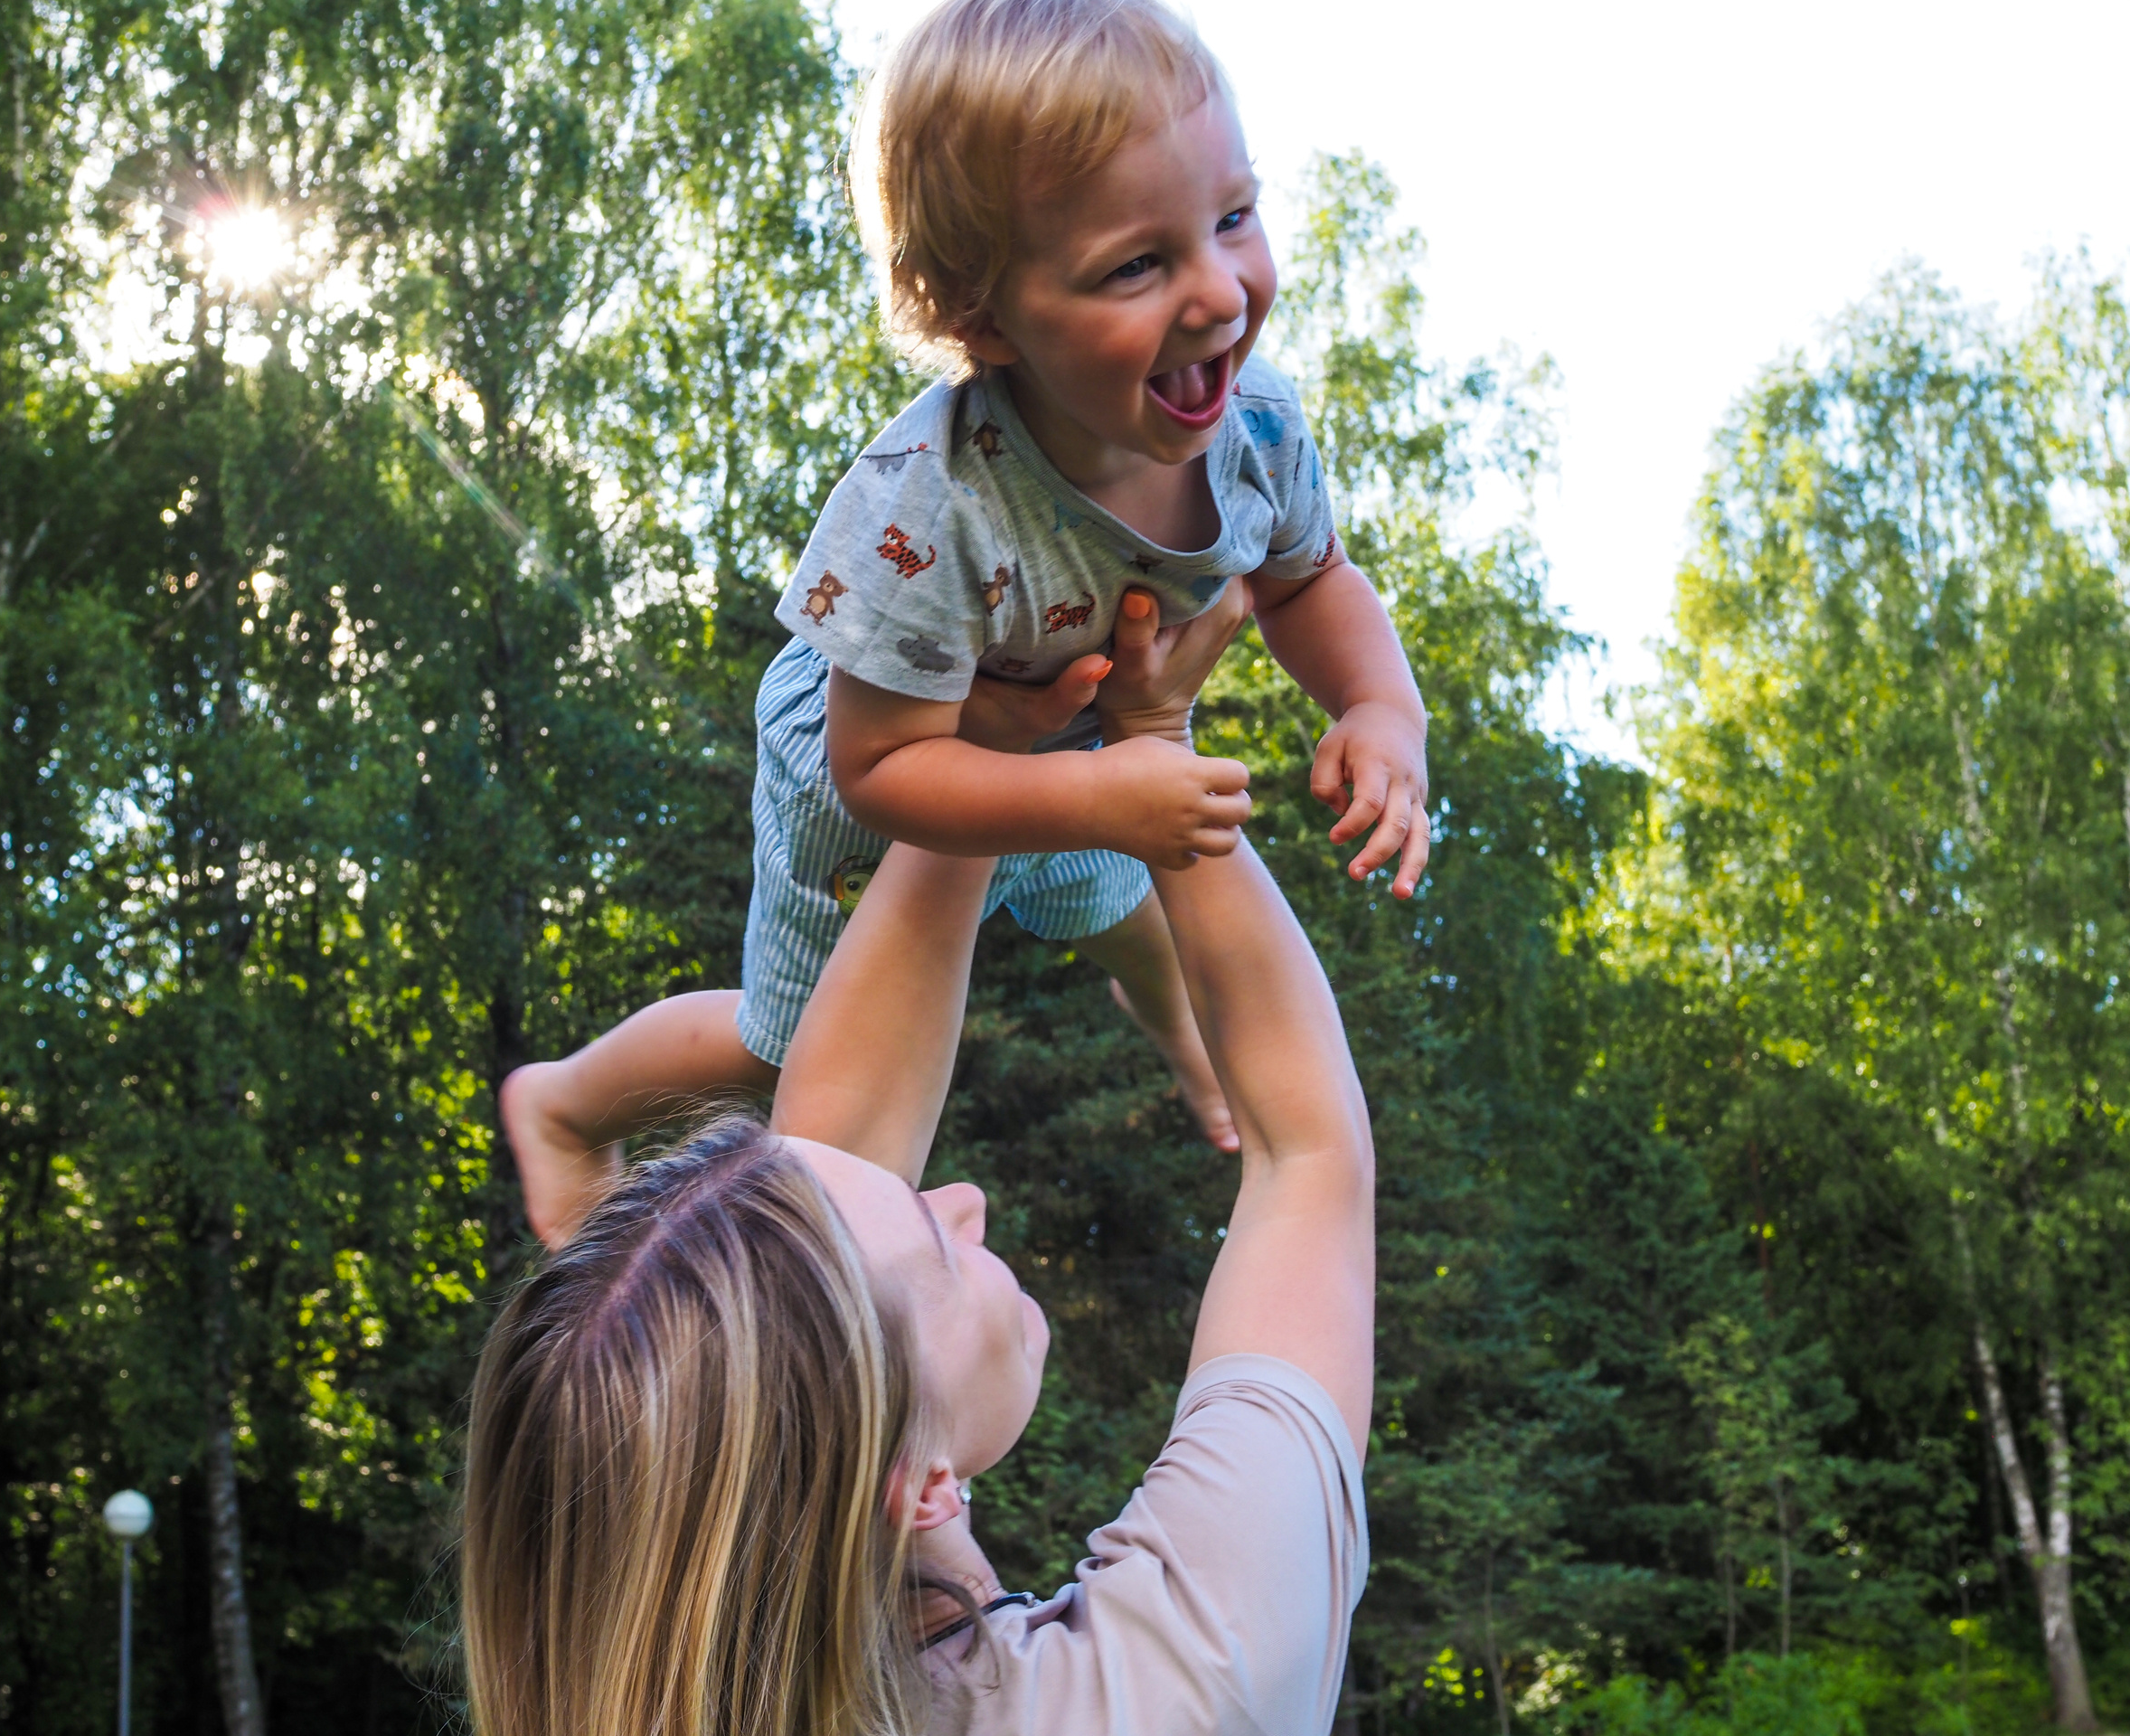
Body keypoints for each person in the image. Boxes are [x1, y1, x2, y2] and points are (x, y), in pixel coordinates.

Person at [501, 0, 1429, 1242]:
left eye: (1231, 218)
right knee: (786, 1050)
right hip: (879, 776)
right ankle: (564, 1104)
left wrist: (1379, 707)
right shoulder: (929, 507)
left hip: (1078, 749)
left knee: (1126, 909)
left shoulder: (1256, 425)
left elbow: (1312, 579)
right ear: (986, 320)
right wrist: (1099, 795)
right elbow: (879, 765)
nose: (1218, 292)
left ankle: (1187, 1036)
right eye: (1136, 266)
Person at [459, 612, 1377, 1735]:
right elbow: (1305, 1158)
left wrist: (974, 768)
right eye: (931, 1234)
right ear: (919, 1484)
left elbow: (836, 1184)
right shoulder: (1173, 1694)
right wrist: (1149, 726)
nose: (963, 1200)